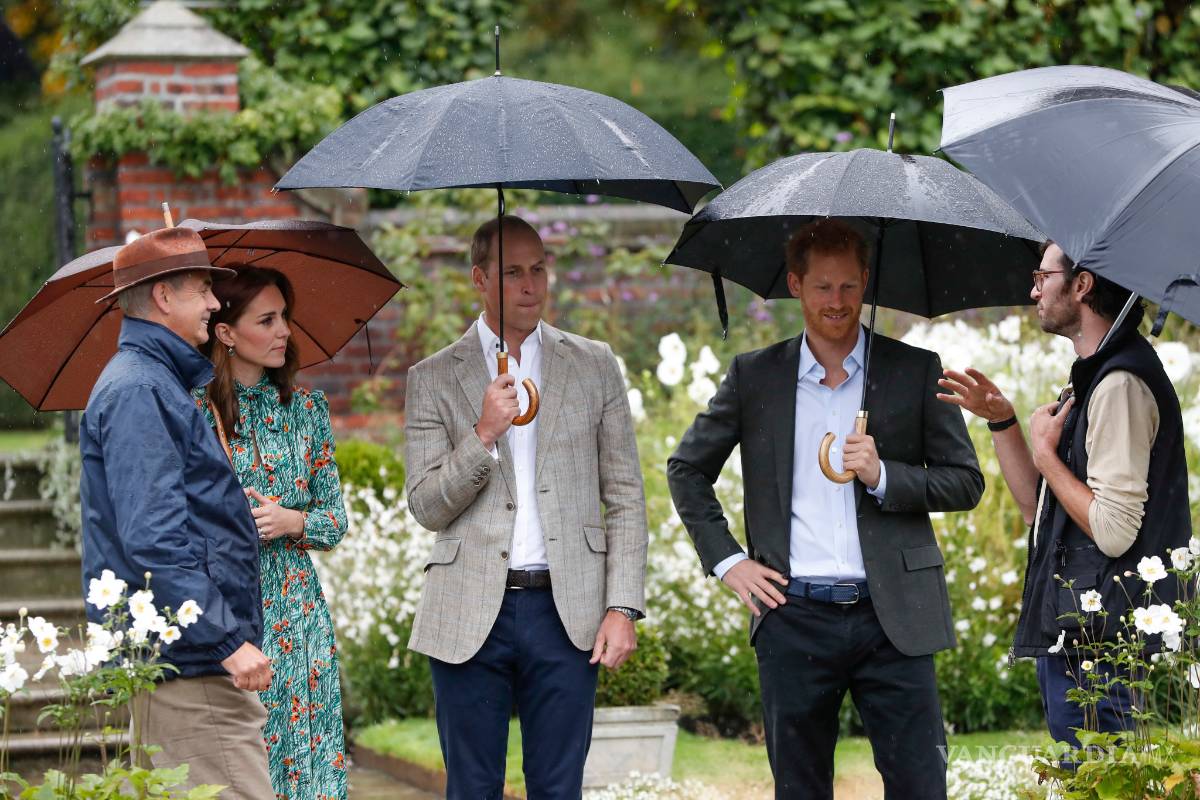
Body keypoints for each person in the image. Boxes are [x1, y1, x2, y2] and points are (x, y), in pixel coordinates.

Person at [667, 217, 984, 800]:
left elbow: (965, 482)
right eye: (822, 287)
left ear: (865, 282)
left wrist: (884, 474)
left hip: (894, 620)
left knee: (921, 786)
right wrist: (728, 561)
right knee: (800, 789)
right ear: (796, 285)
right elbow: (686, 470)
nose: (836, 301)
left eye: (847, 286)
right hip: (794, 614)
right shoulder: (755, 376)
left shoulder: (914, 371)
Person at [404, 215, 648, 799]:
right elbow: (426, 505)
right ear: (478, 279)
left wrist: (622, 605)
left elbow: (625, 494)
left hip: (568, 614)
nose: (530, 284)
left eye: (539, 269)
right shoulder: (433, 377)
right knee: (472, 788)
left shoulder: (593, 364)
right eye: (513, 272)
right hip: (468, 613)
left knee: (559, 789)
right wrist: (483, 435)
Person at [937, 241, 1191, 749]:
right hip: (1083, 634)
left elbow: (1114, 532)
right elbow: (1045, 510)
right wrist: (1004, 423)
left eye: (1042, 275)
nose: (1033, 288)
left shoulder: (1119, 383)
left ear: (1081, 285)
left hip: (1111, 645)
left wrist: (1046, 455)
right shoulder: (1095, 376)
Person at [79, 227, 273, 798]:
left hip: (184, 660)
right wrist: (226, 642)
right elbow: (154, 541)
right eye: (201, 289)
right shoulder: (141, 390)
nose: (215, 303)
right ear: (163, 297)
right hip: (190, 669)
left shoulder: (155, 382)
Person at [197, 266, 350, 800]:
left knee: (310, 763)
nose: (285, 329)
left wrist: (294, 522)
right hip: (233, 611)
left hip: (299, 612)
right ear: (226, 332)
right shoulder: (196, 413)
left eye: (284, 316)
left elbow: (336, 520)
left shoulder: (306, 410)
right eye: (267, 319)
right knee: (246, 763)